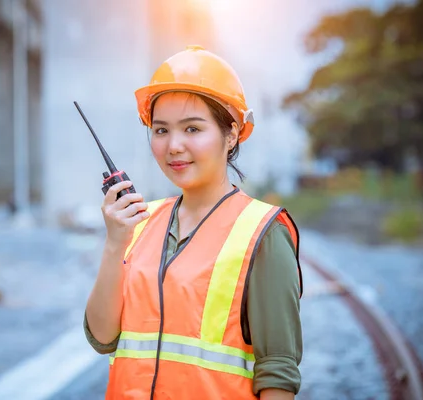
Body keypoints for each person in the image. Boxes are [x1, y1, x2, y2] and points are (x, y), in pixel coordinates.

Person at [84, 45, 303, 400]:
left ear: (231, 134)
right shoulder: (141, 222)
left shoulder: (262, 231)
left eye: (192, 129)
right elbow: (102, 337)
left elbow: (277, 370)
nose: (173, 146)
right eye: (160, 130)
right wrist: (114, 244)